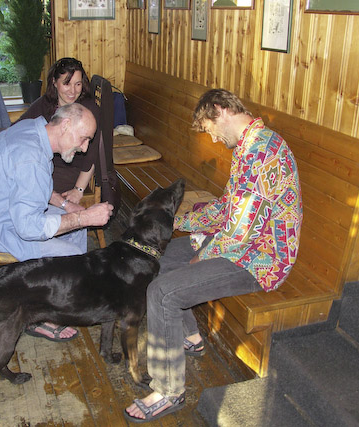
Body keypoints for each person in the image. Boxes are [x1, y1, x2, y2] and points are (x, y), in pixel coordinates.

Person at [124, 89, 303, 422]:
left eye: (210, 129)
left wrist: (203, 254)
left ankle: (168, 391)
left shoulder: (263, 153)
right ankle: (190, 337)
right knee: (156, 261)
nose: (213, 139)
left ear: (220, 110)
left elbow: (242, 231)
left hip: (260, 259)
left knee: (162, 292)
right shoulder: (248, 148)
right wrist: (179, 222)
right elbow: (227, 209)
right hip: (238, 245)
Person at [0, 102, 114, 341]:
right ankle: (39, 315)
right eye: (83, 139)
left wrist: (66, 206)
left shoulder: (33, 129)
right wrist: (84, 217)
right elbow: (29, 228)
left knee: (77, 230)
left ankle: (57, 296)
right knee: (72, 254)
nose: (84, 148)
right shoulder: (31, 158)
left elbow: (32, 186)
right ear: (65, 125)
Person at [17, 57, 101, 205]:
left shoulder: (88, 112)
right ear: (54, 83)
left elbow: (93, 156)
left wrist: (79, 189)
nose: (73, 91)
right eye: (67, 84)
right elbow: (20, 127)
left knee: (30, 187)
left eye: (78, 84)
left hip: (71, 169)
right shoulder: (46, 103)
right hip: (44, 163)